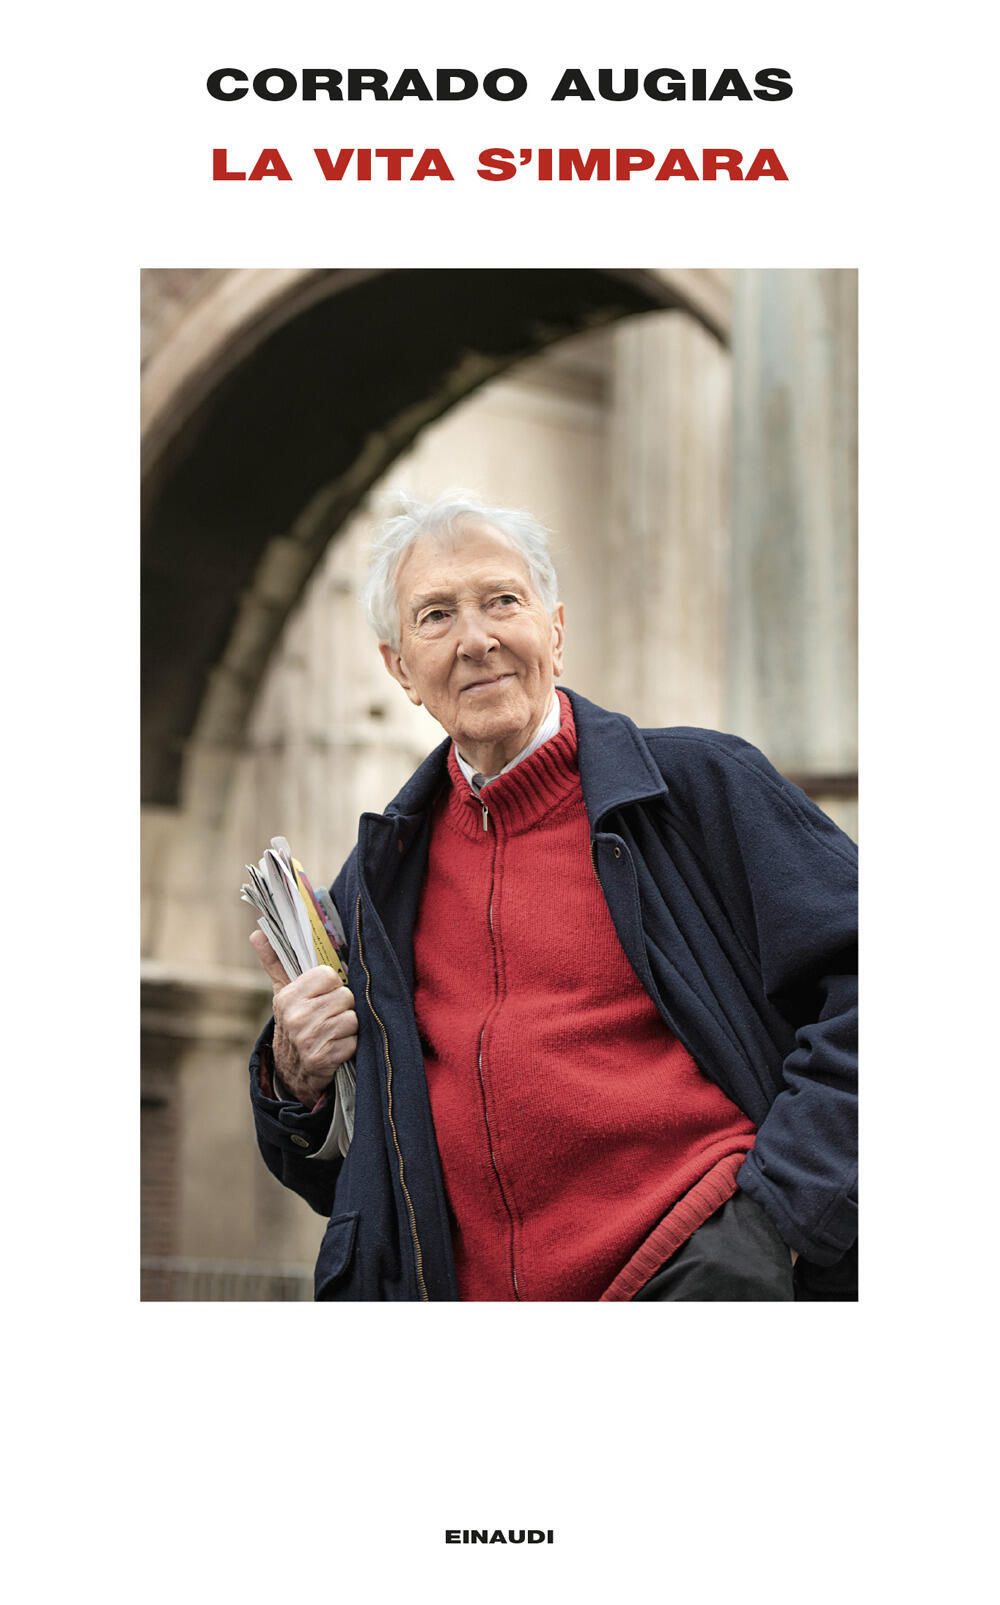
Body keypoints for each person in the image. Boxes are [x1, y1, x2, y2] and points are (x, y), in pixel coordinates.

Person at [249, 493, 858, 1301]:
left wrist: (779, 1219)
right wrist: (297, 1076)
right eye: (436, 615)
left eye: (503, 600)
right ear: (400, 669)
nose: (477, 639)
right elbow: (346, 1177)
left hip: (697, 1277)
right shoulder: (379, 876)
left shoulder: (700, 787)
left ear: (556, 631)